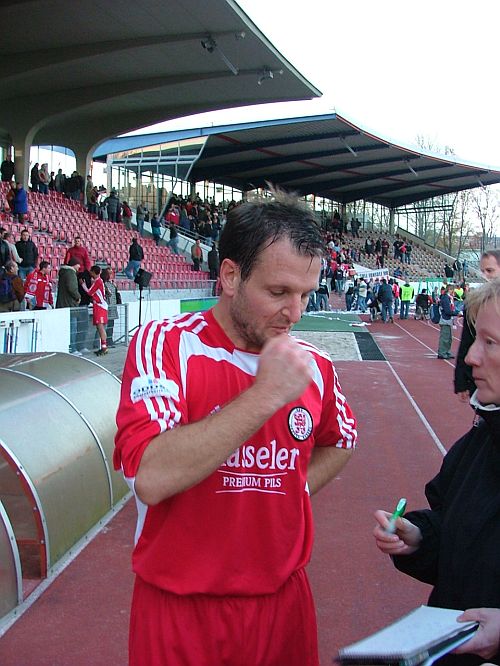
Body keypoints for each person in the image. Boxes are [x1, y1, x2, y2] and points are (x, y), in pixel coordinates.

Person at [114, 190, 357, 666]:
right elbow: (150, 475)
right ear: (230, 276)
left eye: (306, 294)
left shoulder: (315, 366)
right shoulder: (165, 345)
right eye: (278, 292)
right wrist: (265, 396)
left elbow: (342, 440)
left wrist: (293, 488)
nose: (296, 313)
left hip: (283, 604)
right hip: (182, 611)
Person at [373, 278, 500, 666]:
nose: (470, 357)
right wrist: (420, 538)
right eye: (475, 339)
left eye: (491, 343)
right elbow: (457, 533)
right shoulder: (480, 442)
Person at [455, 250, 500, 402]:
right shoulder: (475, 304)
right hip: (484, 381)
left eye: (490, 270)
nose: (485, 275)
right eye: (483, 271)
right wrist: (461, 381)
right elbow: (467, 343)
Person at [80, 265, 108, 356]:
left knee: (100, 327)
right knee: (99, 327)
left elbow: (89, 292)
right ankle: (103, 347)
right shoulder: (98, 281)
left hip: (100, 306)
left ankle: (104, 347)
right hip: (98, 305)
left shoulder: (98, 281)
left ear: (93, 272)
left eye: (91, 271)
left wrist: (83, 284)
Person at [55, 258, 81, 354]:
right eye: (78, 265)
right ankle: (72, 348)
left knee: (65, 328)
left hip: (62, 304)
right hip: (70, 304)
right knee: (72, 328)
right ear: (74, 265)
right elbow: (72, 288)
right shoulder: (71, 273)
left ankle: (65, 348)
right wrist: (78, 297)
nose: (79, 267)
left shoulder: (63, 273)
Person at [437, 283, 458, 359]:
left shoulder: (449, 298)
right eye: (453, 290)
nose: (453, 292)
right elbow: (447, 311)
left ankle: (447, 351)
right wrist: (456, 313)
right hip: (445, 319)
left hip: (448, 319)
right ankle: (442, 352)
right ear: (450, 290)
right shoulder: (445, 298)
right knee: (445, 337)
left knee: (449, 338)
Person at [102, 267, 120, 348]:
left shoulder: (112, 283)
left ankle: (109, 340)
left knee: (111, 325)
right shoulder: (103, 283)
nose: (111, 275)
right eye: (109, 273)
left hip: (113, 307)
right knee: (105, 326)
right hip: (107, 307)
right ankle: (103, 341)